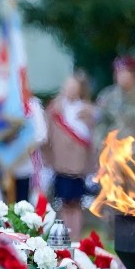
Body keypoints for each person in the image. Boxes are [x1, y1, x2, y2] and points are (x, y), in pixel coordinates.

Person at [43, 71, 96, 238]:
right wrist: (48, 160)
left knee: (77, 203)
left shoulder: (87, 110)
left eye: (75, 87)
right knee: (64, 203)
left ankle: (76, 238)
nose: (71, 90)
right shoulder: (55, 109)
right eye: (69, 86)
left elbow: (94, 139)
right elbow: (47, 136)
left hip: (79, 166)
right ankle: (65, 236)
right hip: (61, 164)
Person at [94, 55, 135, 183]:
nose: (123, 76)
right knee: (113, 199)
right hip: (113, 158)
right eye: (119, 72)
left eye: (126, 72)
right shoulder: (106, 98)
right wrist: (101, 156)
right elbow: (99, 129)